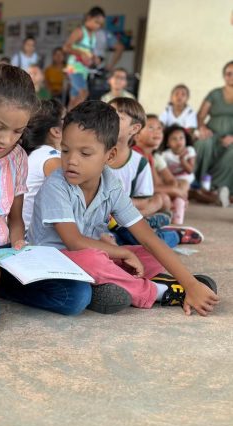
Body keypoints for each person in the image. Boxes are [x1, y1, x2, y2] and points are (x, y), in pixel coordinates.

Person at [0, 64, 121, 316]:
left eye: (17, 131)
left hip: (0, 254)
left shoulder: (17, 157)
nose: (6, 140)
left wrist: (19, 244)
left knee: (76, 297)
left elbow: (15, 217)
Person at [28, 100, 219, 315]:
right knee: (95, 259)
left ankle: (118, 285)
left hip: (93, 256)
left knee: (150, 254)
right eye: (65, 150)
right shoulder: (56, 185)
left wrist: (190, 282)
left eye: (85, 153)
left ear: (109, 155)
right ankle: (158, 291)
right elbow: (74, 242)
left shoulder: (111, 185)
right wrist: (120, 252)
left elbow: (147, 237)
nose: (71, 160)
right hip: (55, 262)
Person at [133, 113, 202, 244]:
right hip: (129, 202)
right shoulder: (137, 155)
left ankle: (152, 222)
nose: (157, 131)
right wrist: (175, 192)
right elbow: (150, 189)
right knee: (162, 199)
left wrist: (174, 192)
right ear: (136, 134)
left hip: (139, 201)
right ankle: (141, 222)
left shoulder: (149, 156)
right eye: (151, 127)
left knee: (164, 199)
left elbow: (158, 183)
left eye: (159, 128)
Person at [21, 98, 64, 230]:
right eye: (67, 119)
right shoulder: (50, 159)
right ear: (56, 131)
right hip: (35, 240)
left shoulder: (35, 154)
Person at [194, 61, 233, 207]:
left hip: (232, 138)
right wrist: (202, 128)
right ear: (224, 76)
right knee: (203, 143)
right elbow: (200, 116)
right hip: (213, 134)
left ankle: (219, 188)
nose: (231, 76)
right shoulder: (214, 93)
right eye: (228, 73)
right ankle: (197, 185)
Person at [63, 6, 105, 108]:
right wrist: (80, 53)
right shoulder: (80, 31)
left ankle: (67, 119)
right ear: (89, 17)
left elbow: (89, 51)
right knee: (84, 93)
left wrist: (95, 57)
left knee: (74, 97)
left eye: (100, 24)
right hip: (75, 68)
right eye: (96, 22)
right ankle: (73, 117)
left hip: (84, 70)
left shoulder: (93, 35)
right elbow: (66, 47)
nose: (98, 26)